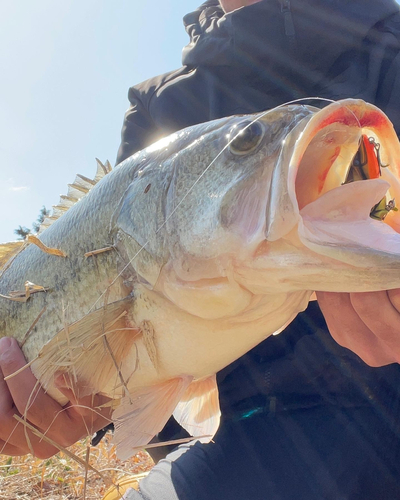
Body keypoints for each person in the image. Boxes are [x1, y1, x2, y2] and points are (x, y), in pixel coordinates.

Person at [2, 0, 400, 497]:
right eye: (247, 142)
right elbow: (127, 387)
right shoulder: (155, 105)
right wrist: (79, 409)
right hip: (250, 447)